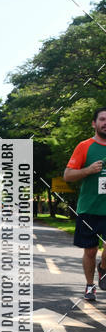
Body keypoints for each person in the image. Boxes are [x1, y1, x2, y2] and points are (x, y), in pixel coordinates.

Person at [63, 108, 106, 302]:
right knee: (90, 250)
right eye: (102, 119)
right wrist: (88, 170)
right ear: (94, 123)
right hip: (89, 208)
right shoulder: (84, 146)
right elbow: (68, 175)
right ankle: (90, 286)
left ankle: (103, 268)